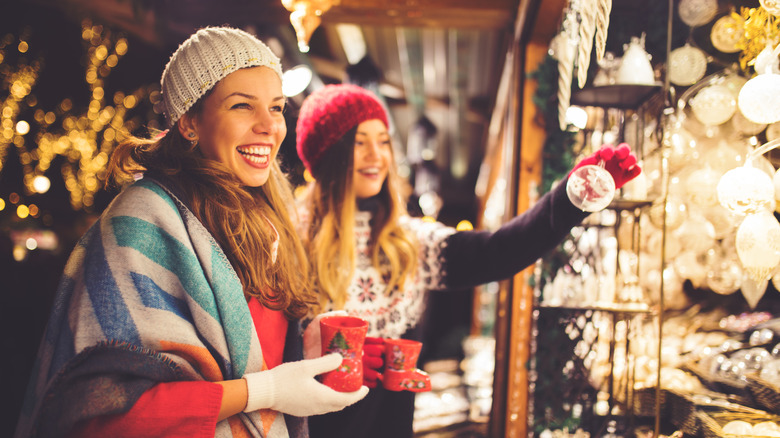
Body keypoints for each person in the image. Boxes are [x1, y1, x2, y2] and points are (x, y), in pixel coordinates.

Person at [14, 27, 367, 438]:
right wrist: (266, 390)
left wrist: (305, 349)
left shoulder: (268, 217)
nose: (269, 126)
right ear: (189, 122)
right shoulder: (142, 222)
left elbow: (258, 351)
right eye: (241, 106)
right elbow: (103, 415)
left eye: (276, 107)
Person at [294, 83, 641, 438]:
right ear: (326, 154)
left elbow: (497, 252)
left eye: (383, 141)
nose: (376, 155)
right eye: (358, 141)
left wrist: (569, 198)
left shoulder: (408, 240)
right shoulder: (290, 239)